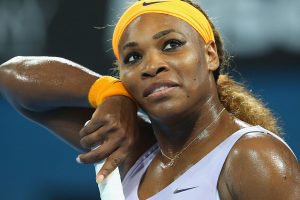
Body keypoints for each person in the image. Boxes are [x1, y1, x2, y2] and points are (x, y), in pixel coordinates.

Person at [0, 0, 299, 199]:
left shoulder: (252, 155)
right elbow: (10, 77)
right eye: (133, 57)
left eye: (171, 45)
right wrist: (109, 92)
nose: (151, 66)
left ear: (210, 55)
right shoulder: (128, 148)